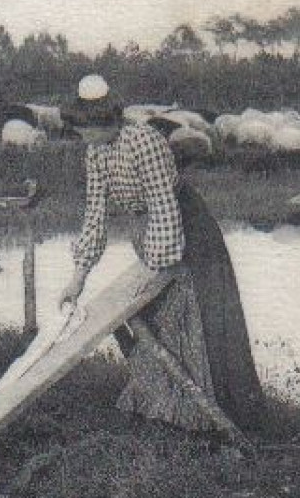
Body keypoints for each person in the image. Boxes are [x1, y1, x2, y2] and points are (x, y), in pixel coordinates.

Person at [57, 74, 266, 435]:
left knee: (193, 319)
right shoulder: (95, 152)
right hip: (149, 235)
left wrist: (156, 268)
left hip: (187, 232)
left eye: (82, 129)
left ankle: (208, 419)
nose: (80, 137)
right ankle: (168, 409)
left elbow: (163, 206)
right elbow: (94, 214)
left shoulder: (145, 140)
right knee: (159, 322)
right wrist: (78, 277)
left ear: (100, 121)